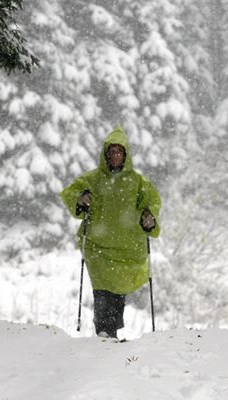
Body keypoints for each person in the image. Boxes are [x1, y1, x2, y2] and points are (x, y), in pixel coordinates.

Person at [60, 126, 161, 340]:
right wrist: (80, 199)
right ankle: (105, 330)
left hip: (127, 249)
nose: (115, 155)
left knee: (117, 288)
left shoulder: (137, 182)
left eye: (119, 152)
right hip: (98, 248)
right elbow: (71, 193)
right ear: (106, 155)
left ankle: (110, 329)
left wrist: (149, 216)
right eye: (112, 151)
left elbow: (151, 202)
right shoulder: (93, 180)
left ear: (126, 155)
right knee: (103, 288)